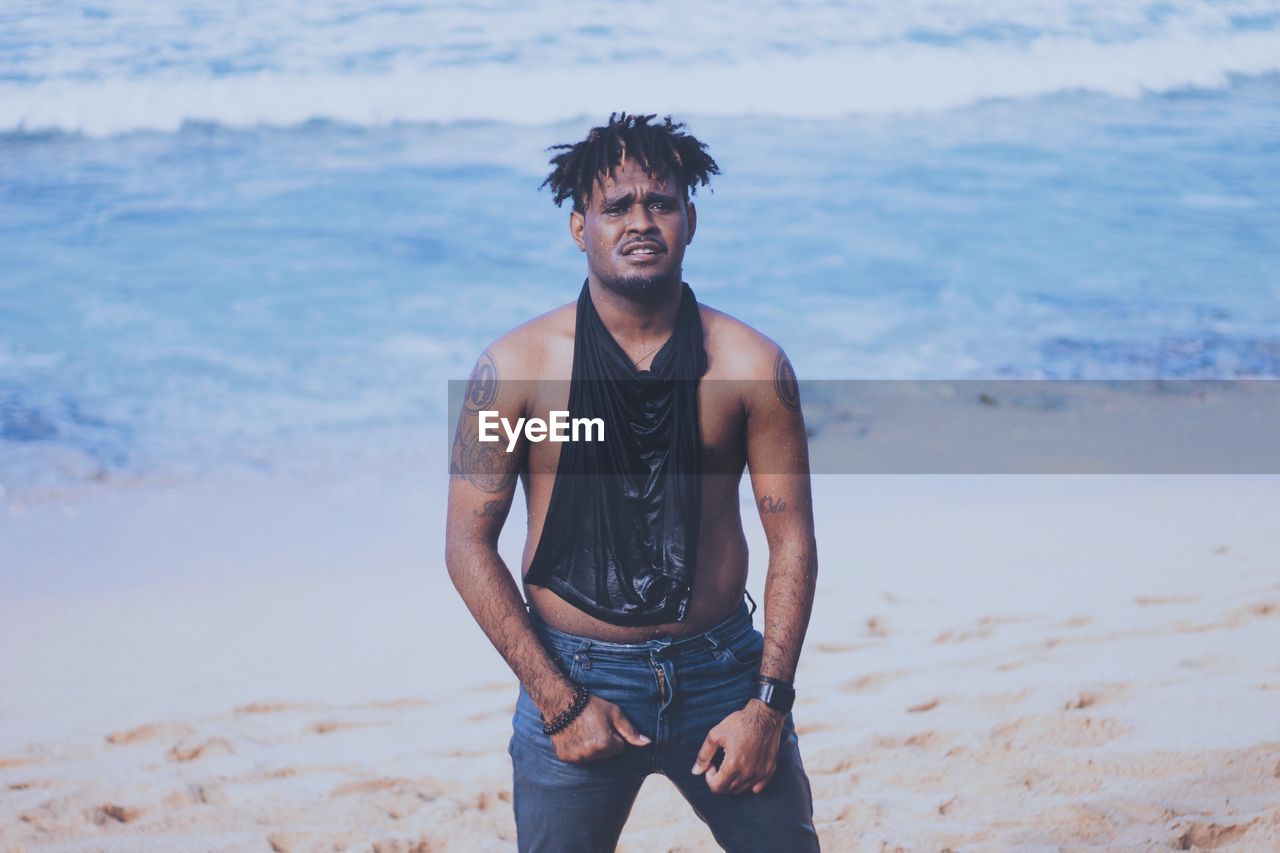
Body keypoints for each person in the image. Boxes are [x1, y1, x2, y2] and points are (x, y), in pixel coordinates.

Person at [445, 112, 821, 851]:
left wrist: (767, 707)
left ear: (691, 218)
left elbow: (795, 544)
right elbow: (466, 544)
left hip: (721, 672)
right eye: (617, 206)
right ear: (579, 227)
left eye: (662, 203)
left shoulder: (751, 366)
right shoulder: (513, 370)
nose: (641, 221)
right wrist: (558, 702)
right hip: (574, 673)